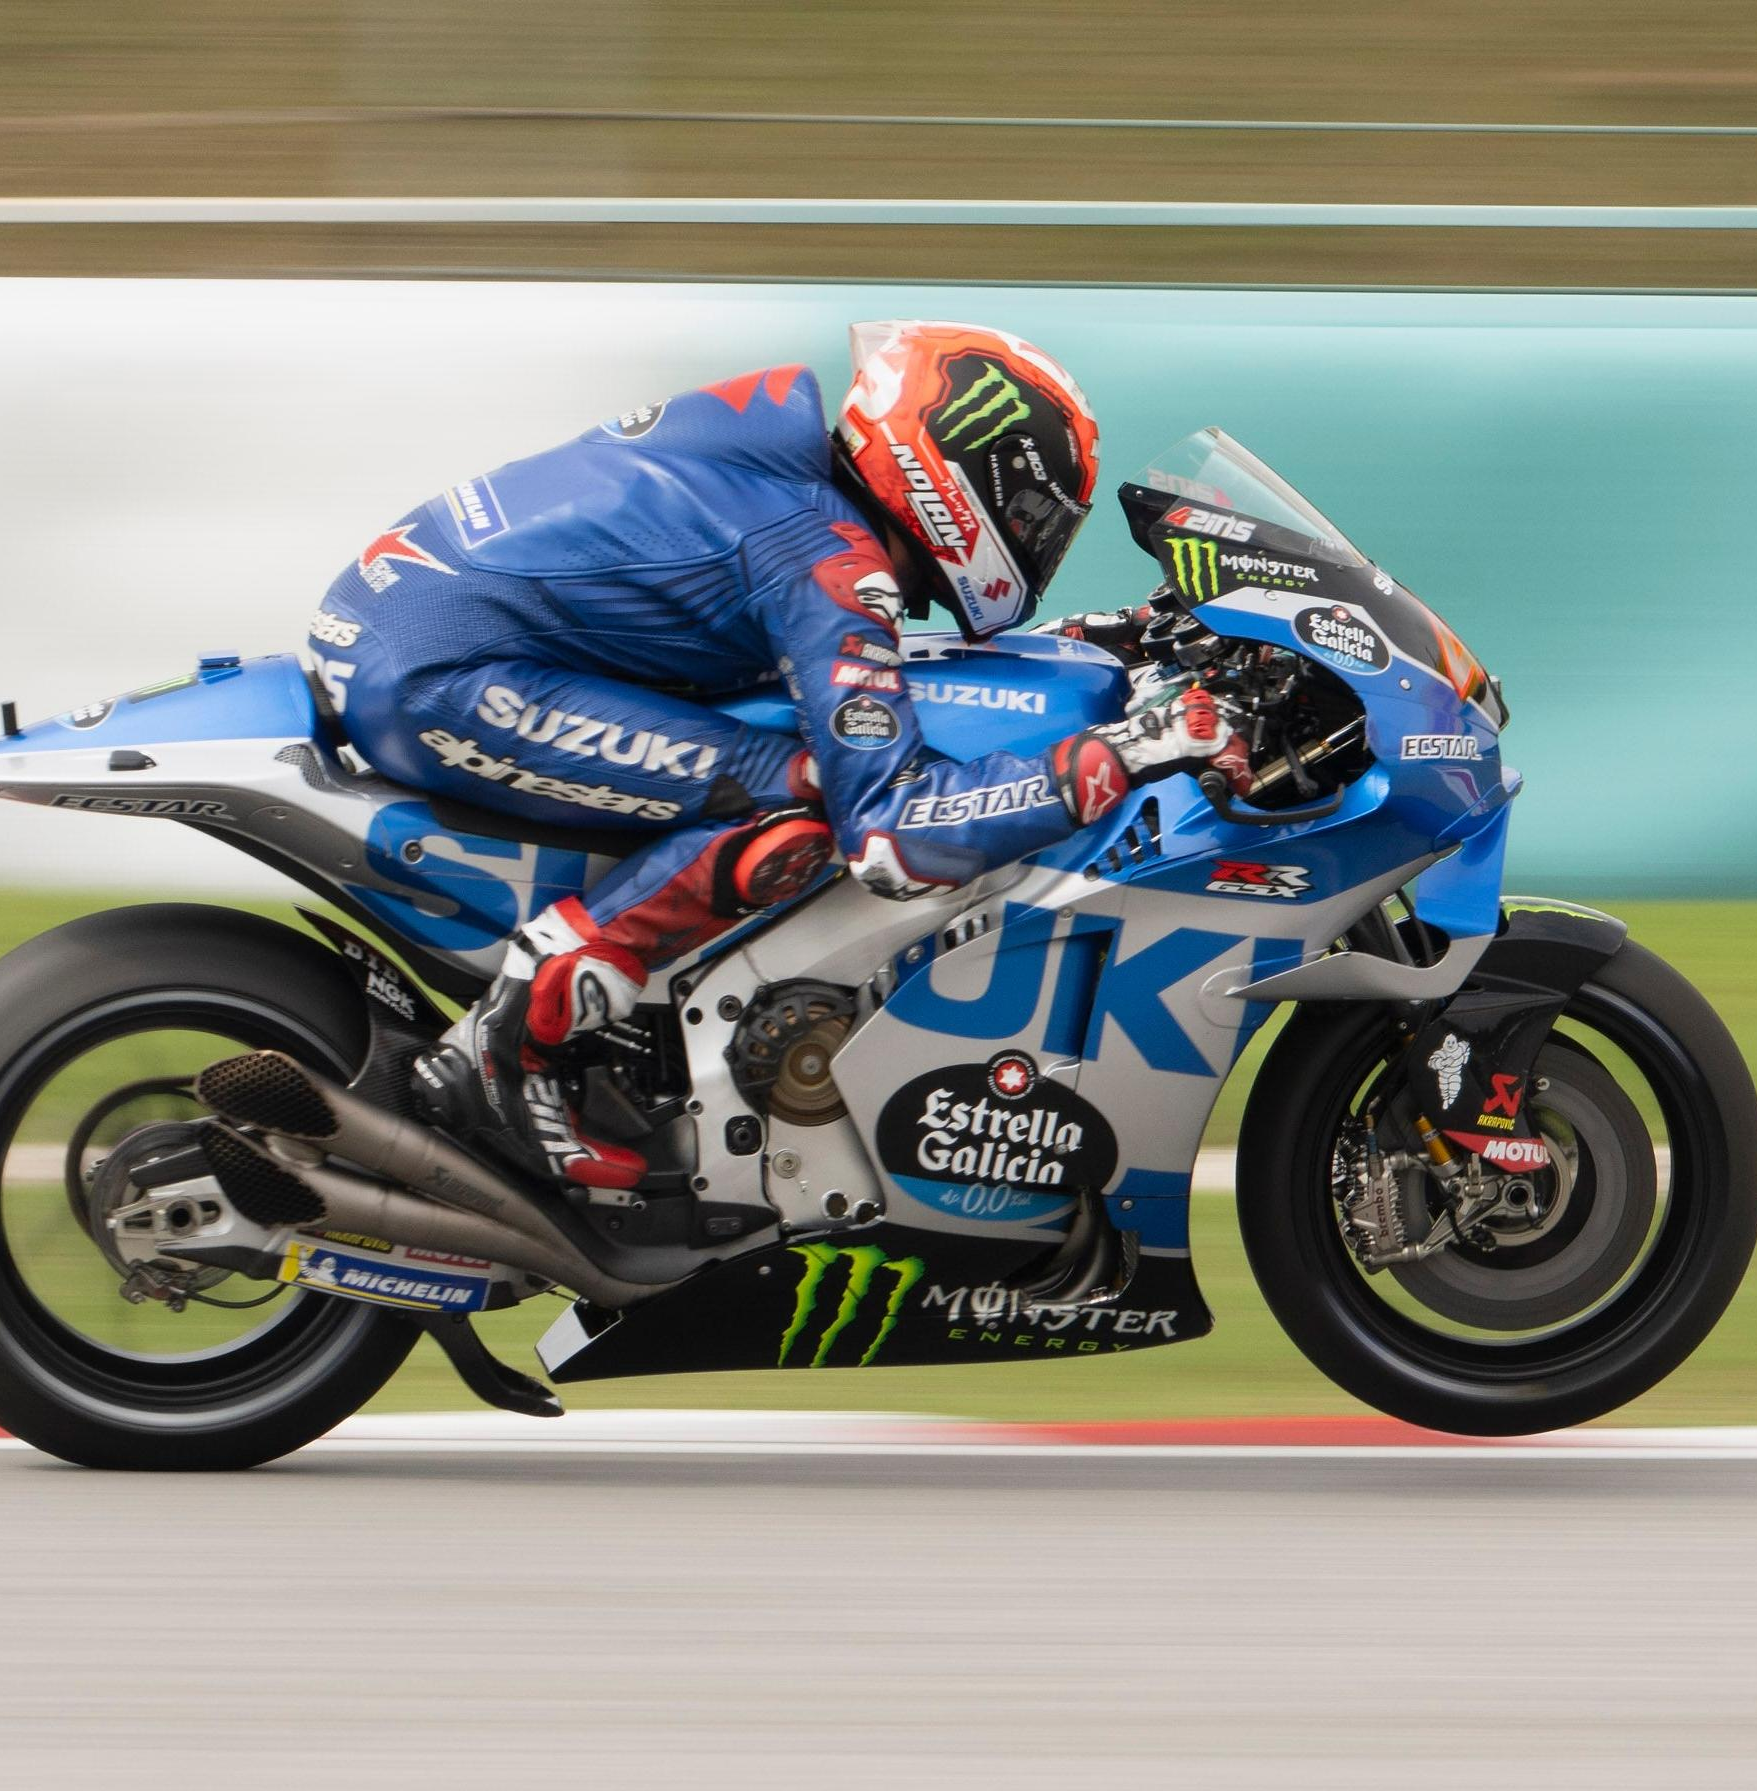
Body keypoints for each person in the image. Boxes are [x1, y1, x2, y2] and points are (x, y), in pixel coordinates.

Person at [304, 320, 1173, 1193]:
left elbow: (837, 654)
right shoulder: (824, 555)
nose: (1031, 535)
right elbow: (888, 835)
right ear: (955, 471)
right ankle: (516, 1042)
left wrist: (1096, 639)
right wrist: (1123, 753)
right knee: (805, 802)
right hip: (438, 676)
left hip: (405, 625)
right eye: (1028, 509)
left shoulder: (792, 476)